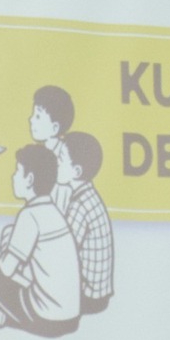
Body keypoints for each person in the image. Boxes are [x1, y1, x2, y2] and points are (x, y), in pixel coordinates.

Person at [0, 145, 80, 336]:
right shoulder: (54, 212)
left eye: (17, 171)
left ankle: (8, 319)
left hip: (46, 318)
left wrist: (5, 251)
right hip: (71, 320)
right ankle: (10, 317)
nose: (13, 177)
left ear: (30, 179)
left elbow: (6, 269)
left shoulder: (29, 215)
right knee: (16, 282)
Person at [56, 130, 115, 314]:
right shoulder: (87, 195)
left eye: (60, 159)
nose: (55, 163)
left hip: (87, 297)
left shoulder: (80, 205)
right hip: (96, 294)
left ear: (76, 171)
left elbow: (64, 251)